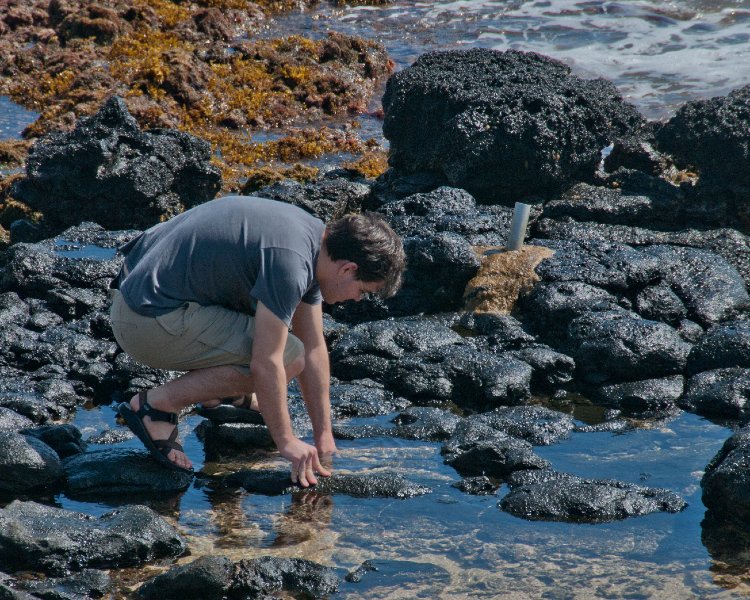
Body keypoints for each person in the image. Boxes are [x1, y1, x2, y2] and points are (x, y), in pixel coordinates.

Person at [109, 195, 406, 487]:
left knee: (293, 350)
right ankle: (157, 406)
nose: (357, 299)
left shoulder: (313, 240)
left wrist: (323, 435)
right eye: (363, 291)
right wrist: (286, 442)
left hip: (137, 291)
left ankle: (220, 394)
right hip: (142, 322)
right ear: (348, 269)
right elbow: (268, 363)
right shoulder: (291, 264)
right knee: (288, 355)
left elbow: (315, 347)